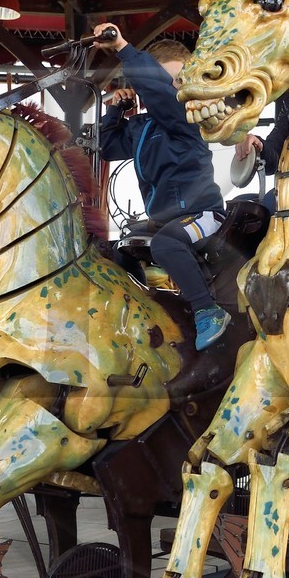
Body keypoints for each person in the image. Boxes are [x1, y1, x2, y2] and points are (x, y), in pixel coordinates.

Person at [95, 26, 231, 350]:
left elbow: (160, 95)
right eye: (164, 80)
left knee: (166, 244)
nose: (172, 90)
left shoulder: (190, 117)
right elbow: (109, 146)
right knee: (121, 251)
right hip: (164, 221)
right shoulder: (142, 128)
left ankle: (207, 310)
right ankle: (147, 312)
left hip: (202, 215)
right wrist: (115, 110)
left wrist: (125, 48)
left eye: (177, 83)